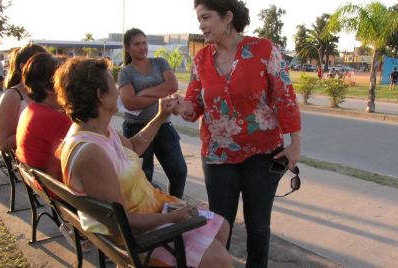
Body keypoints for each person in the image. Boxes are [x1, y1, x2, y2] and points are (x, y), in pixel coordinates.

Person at [54, 57, 231, 268]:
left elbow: (135, 146)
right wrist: (174, 217)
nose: (118, 89)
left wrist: (160, 115)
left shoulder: (98, 130)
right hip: (139, 240)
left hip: (151, 214)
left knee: (222, 226)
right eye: (113, 83)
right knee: (218, 259)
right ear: (101, 96)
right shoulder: (91, 152)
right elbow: (123, 223)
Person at [170, 0, 302, 267]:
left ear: (227, 17)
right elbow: (195, 105)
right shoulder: (201, 58)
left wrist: (295, 142)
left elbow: (284, 97)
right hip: (218, 155)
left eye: (206, 18)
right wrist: (181, 106)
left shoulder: (263, 49)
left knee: (258, 225)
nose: (201, 25)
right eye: (199, 19)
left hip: (263, 155)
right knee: (220, 225)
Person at [118, 28, 187, 198]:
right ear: (128, 48)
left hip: (163, 125)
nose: (143, 47)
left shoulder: (160, 62)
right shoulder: (125, 72)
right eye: (137, 44)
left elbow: (173, 86)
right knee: (144, 176)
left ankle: (176, 204)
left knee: (179, 170)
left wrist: (142, 93)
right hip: (137, 129)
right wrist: (160, 96)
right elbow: (130, 103)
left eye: (144, 43)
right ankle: (149, 212)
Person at [16, 53, 72, 181]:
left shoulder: (31, 109)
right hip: (63, 193)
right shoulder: (55, 119)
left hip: (45, 187)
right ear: (49, 88)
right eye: (66, 79)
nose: (71, 84)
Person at [0, 44, 46, 152]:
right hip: (28, 160)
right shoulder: (12, 96)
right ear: (23, 67)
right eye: (41, 65)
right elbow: (4, 144)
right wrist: (36, 129)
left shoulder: (46, 91)